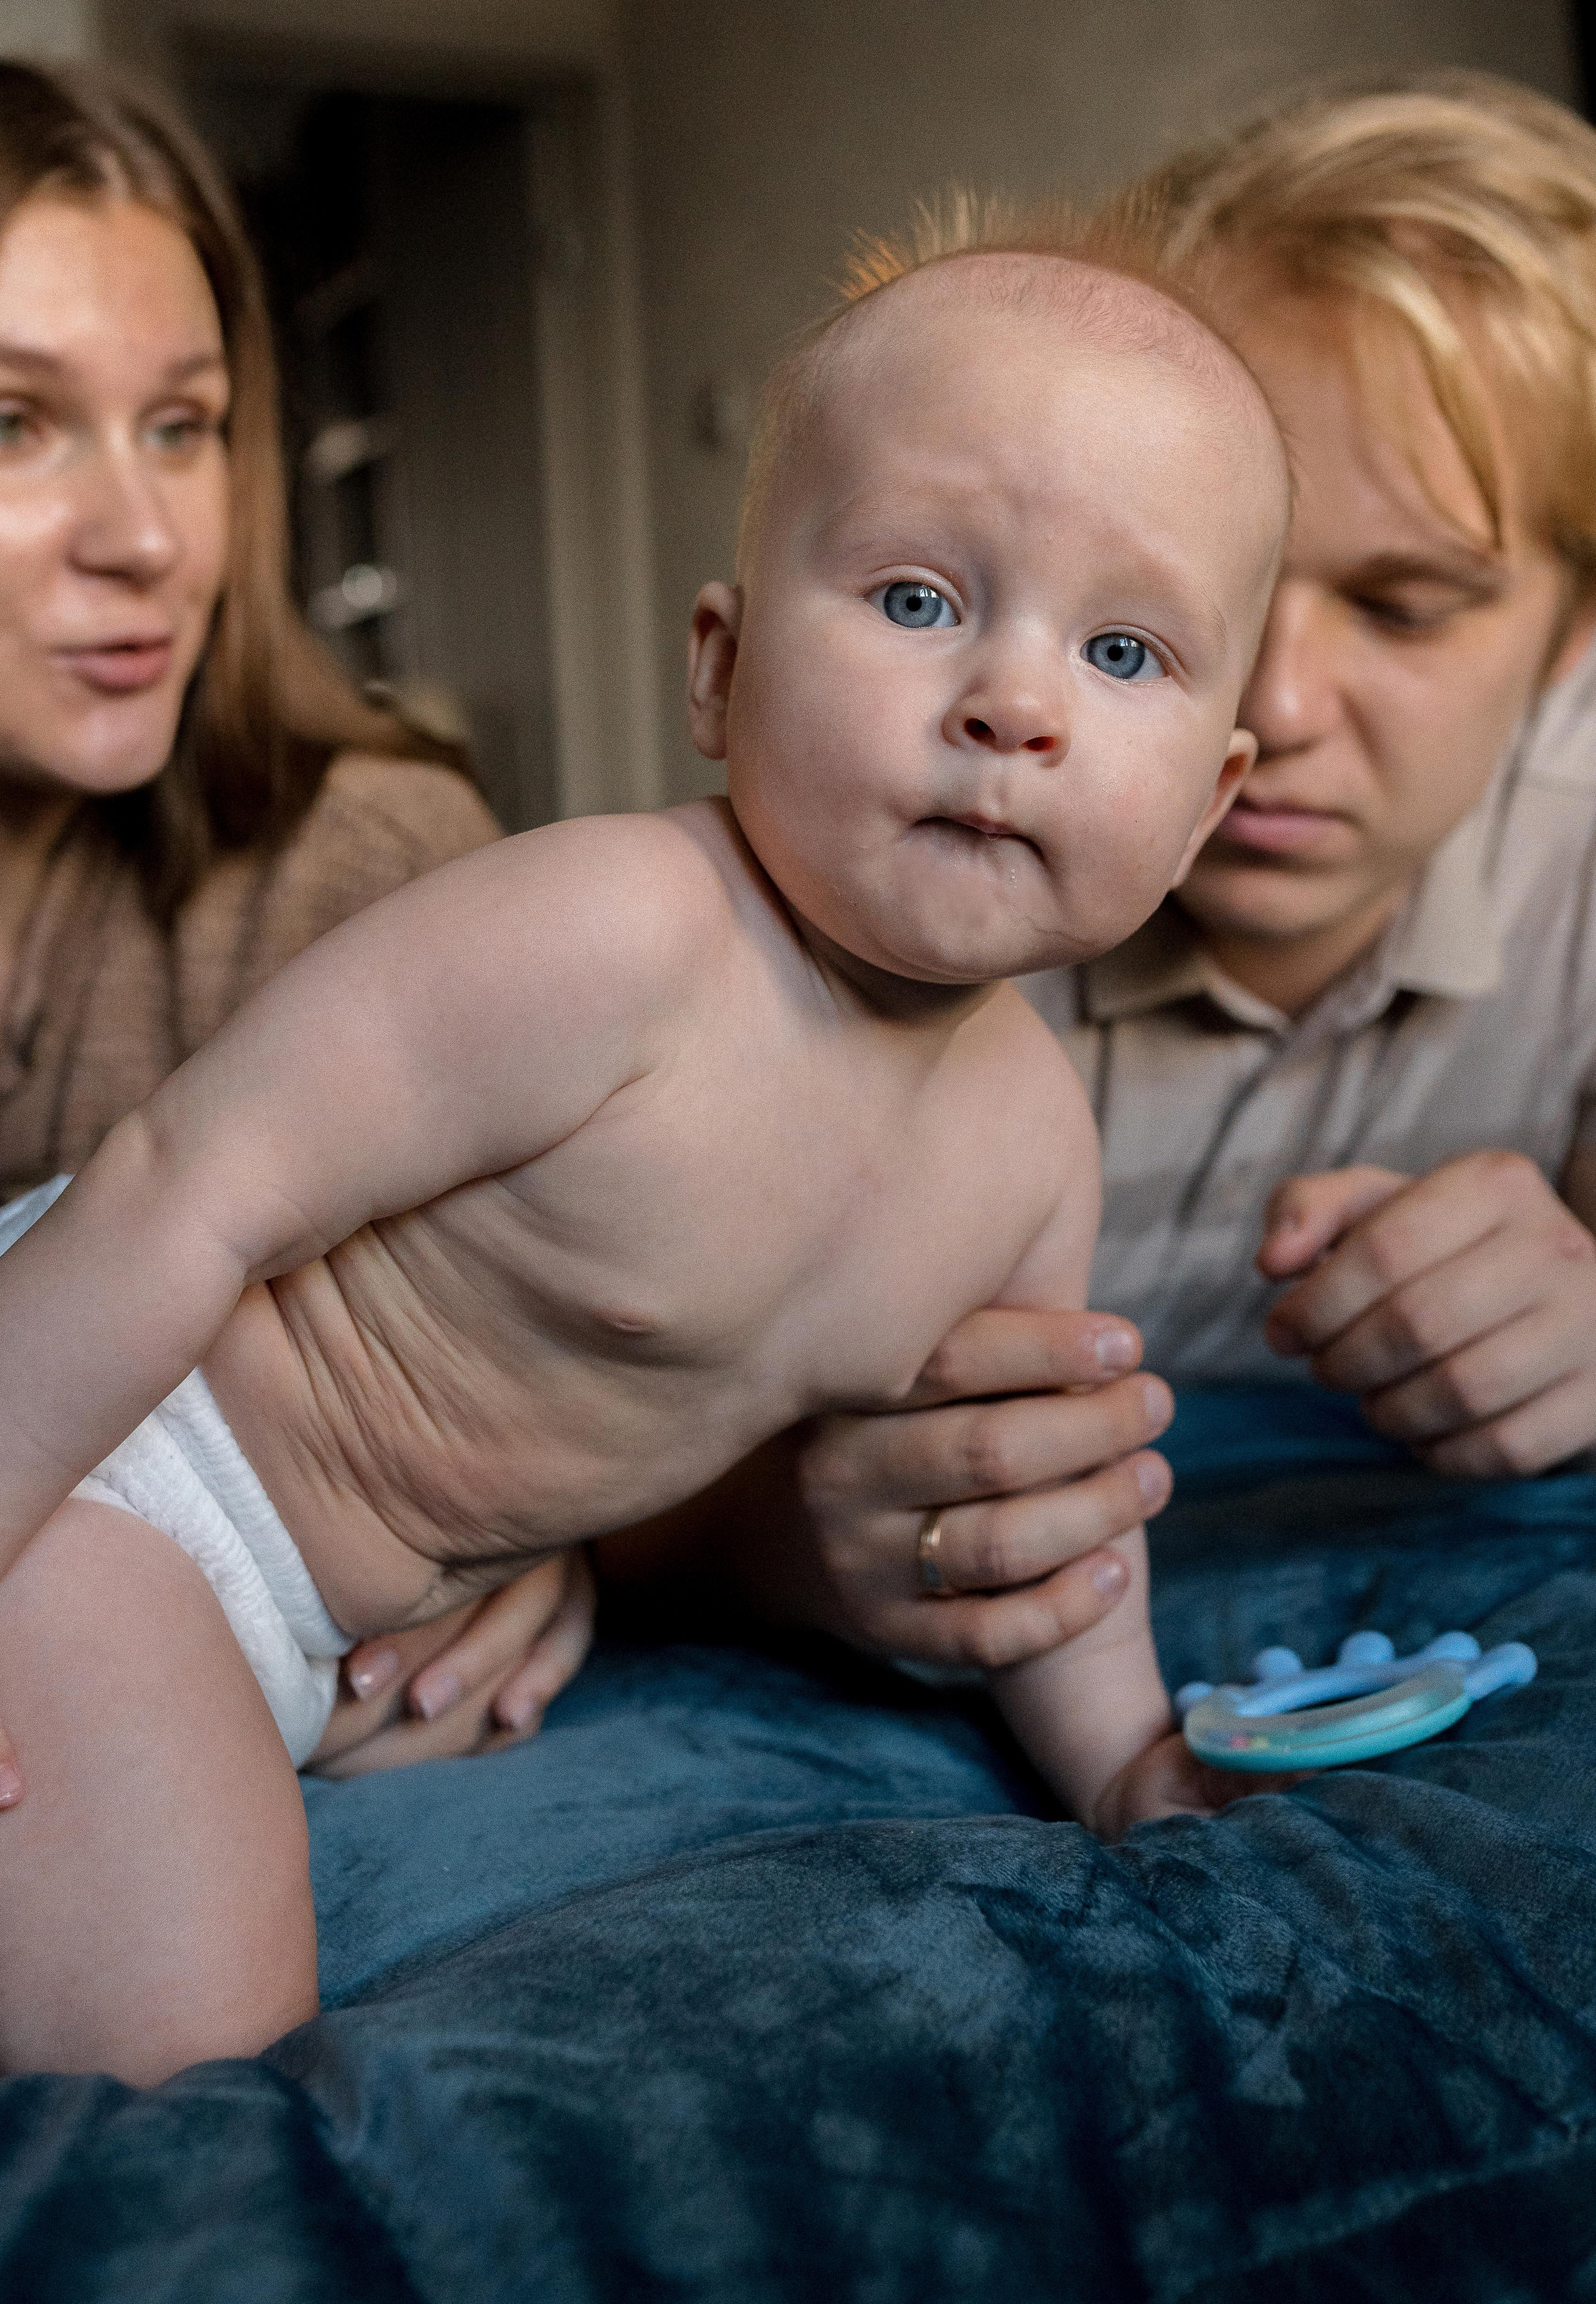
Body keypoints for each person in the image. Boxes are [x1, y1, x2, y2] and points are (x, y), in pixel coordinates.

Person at [0, 213, 1289, 2081]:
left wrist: (1137, 1765)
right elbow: (175, 1183)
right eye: (921, 599)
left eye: (1123, 648)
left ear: (1209, 803)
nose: (1016, 701)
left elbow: (1035, 1526)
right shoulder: (614, 936)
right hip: (113, 1465)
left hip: (328, 1628)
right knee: (188, 2043)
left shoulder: (1027, 1142)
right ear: (721, 668)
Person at [714, 72, 1596, 1682]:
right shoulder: (862, 843)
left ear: (1574, 638)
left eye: (1404, 608)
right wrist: (772, 1538)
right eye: (1181, 598)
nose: (1271, 705)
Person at [0, 57, 592, 1783]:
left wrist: (569, 1532)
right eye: (12, 422)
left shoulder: (380, 862)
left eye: (185, 426)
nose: (148, 539)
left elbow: (622, 1337)